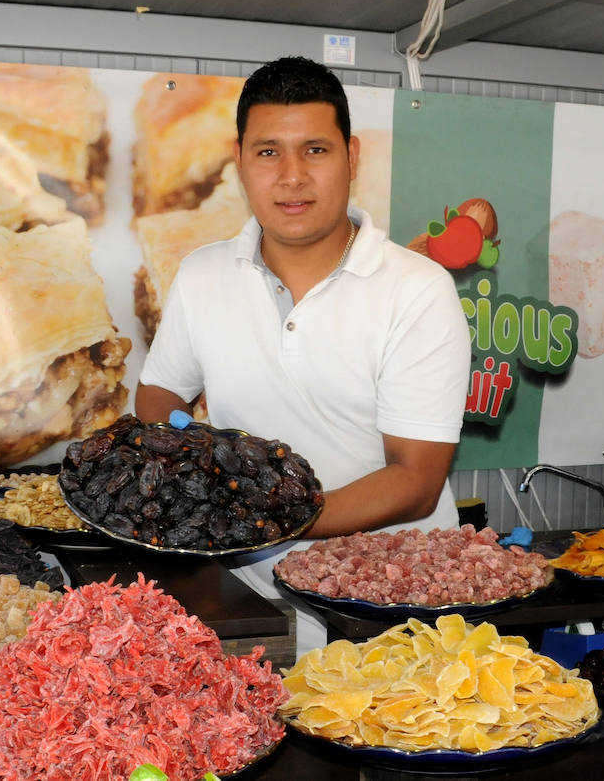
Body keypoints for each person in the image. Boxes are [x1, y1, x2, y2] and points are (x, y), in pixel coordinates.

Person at [135, 56, 471, 653]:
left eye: (315, 149)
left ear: (352, 157)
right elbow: (160, 395)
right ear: (239, 159)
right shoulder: (203, 273)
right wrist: (200, 473)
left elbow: (415, 481)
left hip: (391, 603)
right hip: (249, 599)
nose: (291, 176)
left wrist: (260, 520)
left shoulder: (417, 288)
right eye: (268, 152)